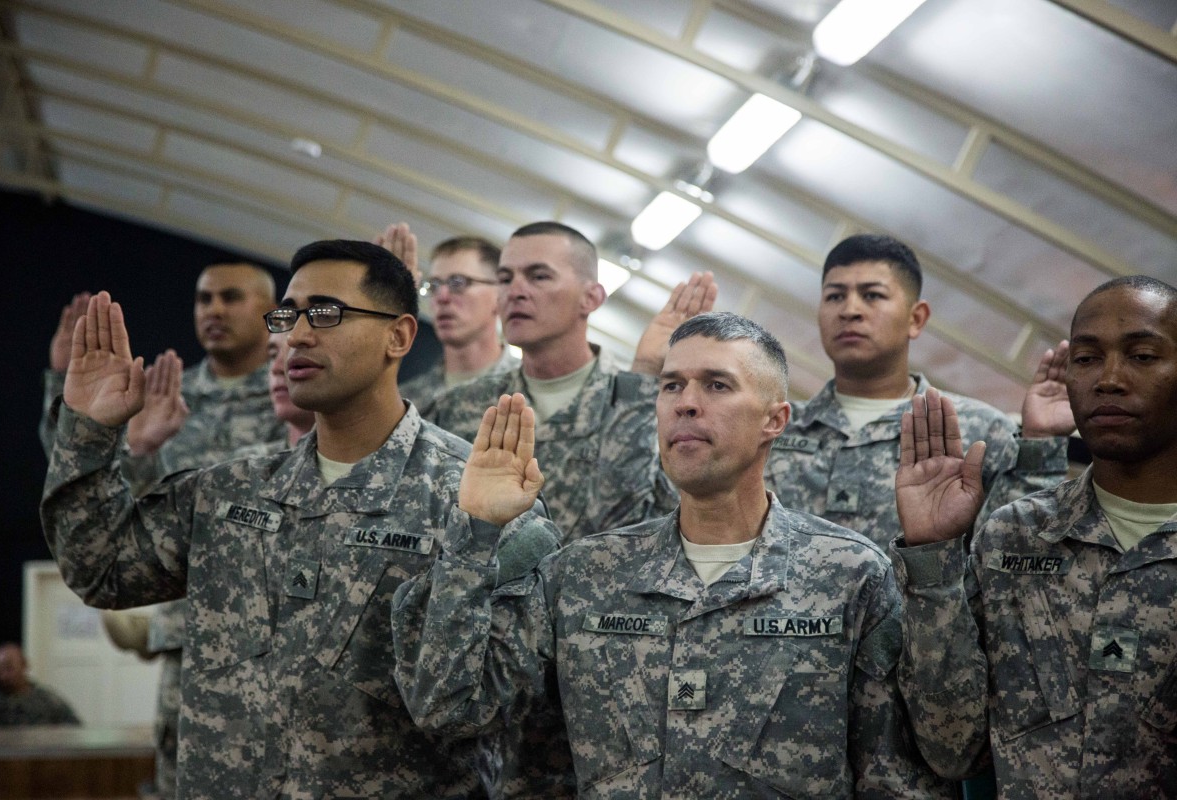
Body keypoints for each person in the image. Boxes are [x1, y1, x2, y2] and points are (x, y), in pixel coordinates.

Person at [40, 240, 556, 798]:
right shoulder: (230, 492)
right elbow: (100, 568)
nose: (298, 336)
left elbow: (478, 712)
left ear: (400, 336)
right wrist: (88, 431)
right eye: (288, 316)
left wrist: (472, 542)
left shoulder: (480, 499)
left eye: (327, 313)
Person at [393, 312, 951, 798]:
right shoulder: (583, 574)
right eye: (670, 386)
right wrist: (476, 534)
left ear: (774, 420)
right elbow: (453, 710)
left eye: (716, 385)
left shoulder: (848, 574)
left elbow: (892, 777)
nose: (686, 404)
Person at [892, 275, 1177, 797]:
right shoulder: (1015, 535)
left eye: (1141, 355)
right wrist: (932, 560)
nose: (1109, 379)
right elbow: (953, 748)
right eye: (1087, 359)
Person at [40, 263, 285, 799]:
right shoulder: (165, 394)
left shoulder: (290, 395)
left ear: (271, 313)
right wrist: (131, 442)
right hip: (191, 633)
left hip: (282, 632)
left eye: (230, 298)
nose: (213, 310)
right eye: (203, 299)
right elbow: (92, 500)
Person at [765, 233, 1074, 551]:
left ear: (916, 318)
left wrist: (1042, 446)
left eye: (872, 295)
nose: (849, 310)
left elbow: (1013, 554)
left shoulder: (979, 431)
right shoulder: (773, 427)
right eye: (834, 297)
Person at [428, 221, 715, 546]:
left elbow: (641, 530)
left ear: (591, 297)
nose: (515, 292)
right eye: (505, 278)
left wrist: (647, 371)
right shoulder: (459, 408)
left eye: (539, 276)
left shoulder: (644, 405)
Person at [400, 236, 520, 411]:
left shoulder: (527, 395)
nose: (442, 297)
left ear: (500, 294)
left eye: (458, 283)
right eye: (434, 285)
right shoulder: (405, 402)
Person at [0, 643, 80, 727]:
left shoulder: (46, 700)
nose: (3, 675)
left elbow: (75, 728)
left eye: (8, 667)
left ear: (24, 665)